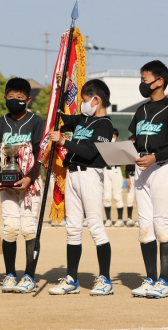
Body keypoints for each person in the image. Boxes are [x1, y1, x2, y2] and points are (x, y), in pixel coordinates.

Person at [48, 74, 115, 296]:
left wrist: (65, 141)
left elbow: (90, 151)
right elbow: (61, 116)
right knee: (73, 229)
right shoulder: (84, 120)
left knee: (95, 227)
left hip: (90, 175)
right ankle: (71, 278)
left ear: (96, 100)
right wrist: (62, 89)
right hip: (73, 174)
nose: (82, 104)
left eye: (85, 100)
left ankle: (105, 278)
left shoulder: (105, 125)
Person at [128, 60, 168, 299]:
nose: (142, 84)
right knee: (144, 226)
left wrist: (155, 157)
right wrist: (123, 150)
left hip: (162, 168)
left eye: (145, 79)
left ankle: (165, 281)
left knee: (162, 224)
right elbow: (135, 139)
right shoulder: (141, 110)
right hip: (142, 169)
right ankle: (150, 279)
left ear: (159, 81)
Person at [0, 78, 45, 293]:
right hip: (7, 183)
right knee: (10, 229)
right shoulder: (1, 122)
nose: (15, 100)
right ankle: (10, 274)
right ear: (5, 97)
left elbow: (40, 153)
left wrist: (30, 177)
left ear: (28, 100)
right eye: (11, 97)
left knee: (29, 229)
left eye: (20, 98)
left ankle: (29, 276)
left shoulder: (36, 122)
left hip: (31, 184)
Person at [103, 129, 126, 227]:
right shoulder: (104, 147)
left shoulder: (120, 148)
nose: (112, 138)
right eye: (110, 136)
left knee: (117, 196)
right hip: (106, 171)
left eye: (114, 136)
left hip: (116, 171)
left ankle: (120, 219)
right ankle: (108, 219)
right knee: (106, 196)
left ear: (117, 137)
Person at [124, 135, 137, 227]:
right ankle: (129, 218)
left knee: (141, 199)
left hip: (139, 177)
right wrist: (127, 178)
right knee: (129, 198)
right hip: (131, 176)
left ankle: (142, 219)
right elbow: (126, 167)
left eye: (133, 141)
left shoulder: (140, 153)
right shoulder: (127, 154)